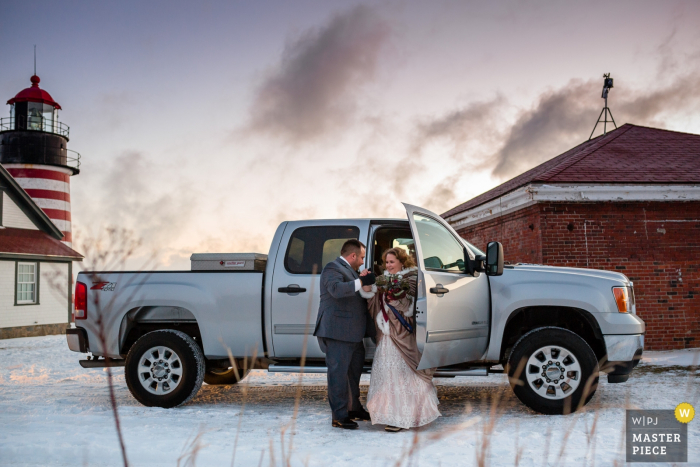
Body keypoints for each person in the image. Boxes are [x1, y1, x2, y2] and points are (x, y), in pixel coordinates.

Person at [359, 247, 441, 432]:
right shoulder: (382, 280)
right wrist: (366, 282)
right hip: (386, 336)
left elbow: (410, 308)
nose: (388, 265)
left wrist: (397, 297)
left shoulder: (410, 279)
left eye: (392, 262)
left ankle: (405, 417)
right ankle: (391, 415)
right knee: (387, 378)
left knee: (403, 377)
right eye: (386, 262)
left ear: (401, 262)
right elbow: (370, 299)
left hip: (402, 335)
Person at [313, 239, 377, 430]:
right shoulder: (332, 268)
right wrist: (361, 281)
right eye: (362, 258)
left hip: (353, 333)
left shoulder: (350, 270)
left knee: (353, 375)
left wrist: (364, 281)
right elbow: (336, 290)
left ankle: (353, 408)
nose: (362, 262)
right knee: (338, 376)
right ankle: (339, 416)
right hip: (338, 332)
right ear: (352, 256)